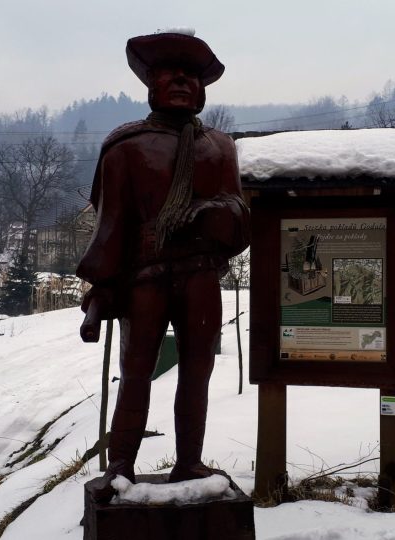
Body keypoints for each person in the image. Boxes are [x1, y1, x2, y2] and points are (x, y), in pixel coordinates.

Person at [76, 30, 250, 503]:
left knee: (197, 371)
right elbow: (111, 224)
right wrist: (100, 293)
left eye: (191, 74)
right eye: (170, 73)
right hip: (145, 277)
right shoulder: (126, 147)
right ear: (150, 82)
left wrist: (217, 214)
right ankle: (121, 464)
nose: (181, 82)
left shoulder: (219, 147)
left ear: (204, 88)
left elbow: (239, 215)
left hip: (200, 276)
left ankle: (189, 459)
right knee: (136, 370)